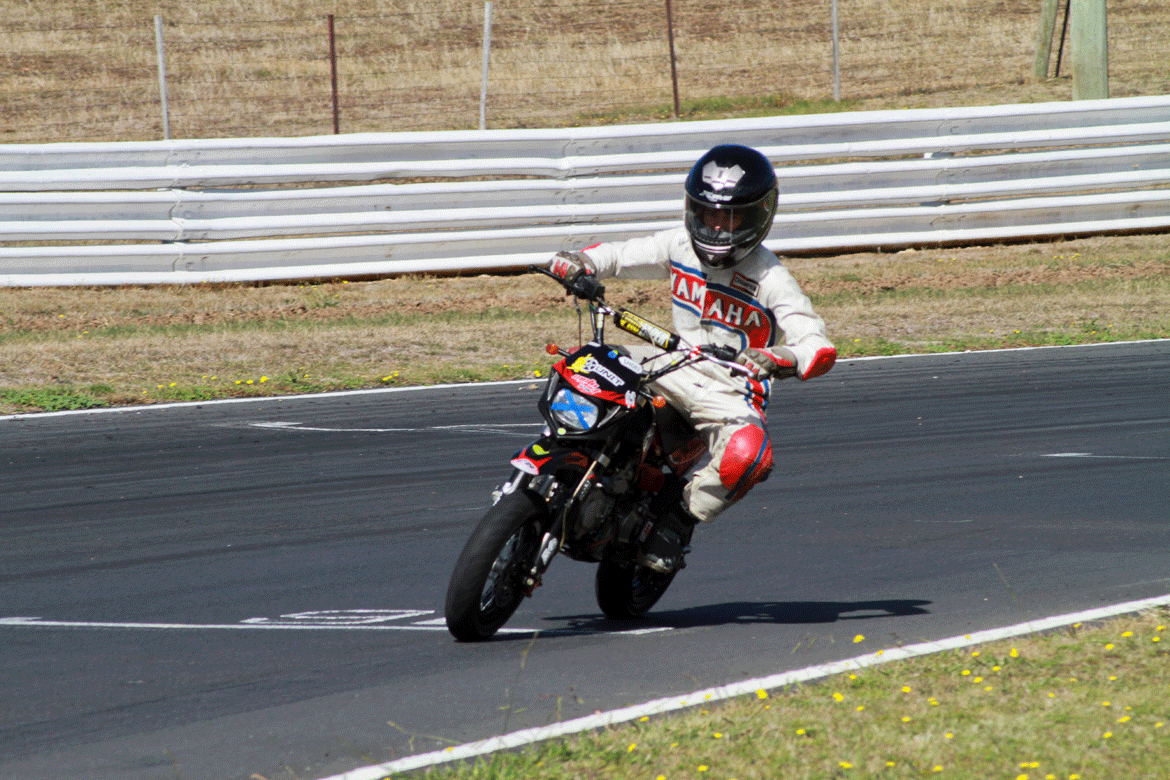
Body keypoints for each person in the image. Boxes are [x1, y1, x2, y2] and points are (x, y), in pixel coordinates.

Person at [547, 143, 836, 573]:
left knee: (751, 454)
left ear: (757, 217)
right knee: (584, 361)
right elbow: (620, 255)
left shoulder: (771, 276)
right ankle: (559, 457)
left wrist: (782, 356)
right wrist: (580, 262)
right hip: (669, 360)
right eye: (707, 213)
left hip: (730, 389)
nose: (715, 226)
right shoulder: (678, 243)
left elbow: (817, 343)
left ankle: (678, 520)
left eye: (729, 217)